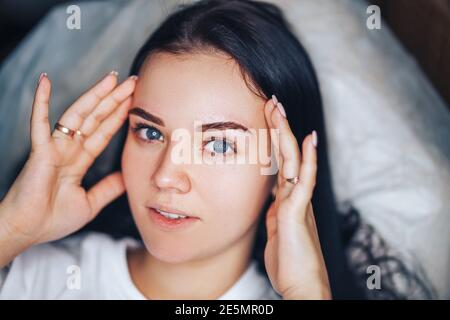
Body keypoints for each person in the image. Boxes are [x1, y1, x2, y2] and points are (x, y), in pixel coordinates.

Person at [0, 0, 359, 299]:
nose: (166, 176)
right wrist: (12, 229)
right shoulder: (38, 279)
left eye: (218, 145)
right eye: (150, 133)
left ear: (282, 169)